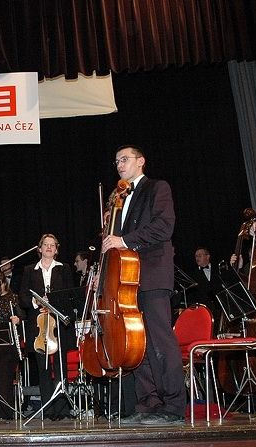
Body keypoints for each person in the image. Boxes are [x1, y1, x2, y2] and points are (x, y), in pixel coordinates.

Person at [102, 145, 184, 426]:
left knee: (161, 341)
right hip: (127, 279)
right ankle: (148, 403)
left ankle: (173, 405)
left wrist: (123, 240)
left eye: (124, 159)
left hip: (152, 273)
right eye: (116, 161)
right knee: (139, 344)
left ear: (141, 161)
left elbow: (164, 226)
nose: (119, 165)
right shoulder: (119, 198)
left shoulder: (157, 188)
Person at [19, 233, 76, 420]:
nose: (49, 247)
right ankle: (47, 408)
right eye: (46, 244)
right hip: (38, 325)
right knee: (42, 368)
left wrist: (53, 302)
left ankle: (61, 409)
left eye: (53, 245)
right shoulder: (29, 270)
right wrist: (36, 303)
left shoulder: (64, 269)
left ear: (56, 250)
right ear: (40, 248)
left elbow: (70, 295)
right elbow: (23, 297)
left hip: (58, 323)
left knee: (60, 366)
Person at [0, 272, 25, 419]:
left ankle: (4, 411)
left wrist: (18, 319)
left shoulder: (13, 298)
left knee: (5, 375)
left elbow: (22, 316)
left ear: (5, 284)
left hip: (9, 345)